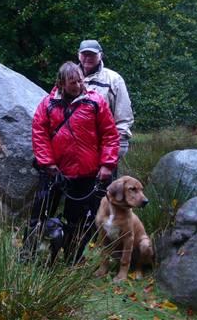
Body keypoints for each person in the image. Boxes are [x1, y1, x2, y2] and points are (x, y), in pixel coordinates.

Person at [29, 61, 119, 264]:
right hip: (54, 172)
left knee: (77, 220)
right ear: (61, 83)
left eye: (80, 80)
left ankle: (72, 257)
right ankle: (30, 254)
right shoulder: (47, 104)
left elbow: (110, 135)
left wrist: (107, 164)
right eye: (72, 82)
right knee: (39, 214)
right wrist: (48, 163)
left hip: (85, 174)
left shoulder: (96, 102)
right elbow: (39, 135)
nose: (78, 85)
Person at [78, 39, 134, 165]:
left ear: (100, 55)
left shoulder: (114, 79)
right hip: (75, 147)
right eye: (84, 54)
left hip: (104, 146)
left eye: (92, 54)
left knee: (104, 184)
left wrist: (119, 145)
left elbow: (124, 115)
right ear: (78, 55)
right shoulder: (69, 76)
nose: (88, 58)